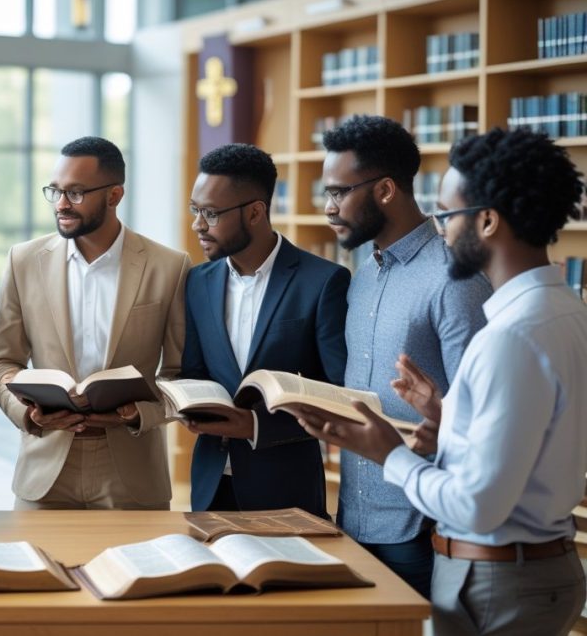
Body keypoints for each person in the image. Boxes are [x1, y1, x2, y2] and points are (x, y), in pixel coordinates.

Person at [299, 128, 587, 635]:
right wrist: (448, 412)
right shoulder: (565, 310)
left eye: (448, 215)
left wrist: (390, 454)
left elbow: (478, 504)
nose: (444, 231)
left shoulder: (510, 337)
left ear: (488, 220)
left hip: (496, 574)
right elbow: (530, 435)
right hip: (535, 564)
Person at [321, 115, 491, 597]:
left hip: (420, 529)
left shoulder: (455, 279)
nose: (330, 208)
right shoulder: (364, 271)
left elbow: (477, 416)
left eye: (339, 193)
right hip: (353, 514)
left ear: (386, 190)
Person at [0, 136, 189, 510]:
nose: (62, 204)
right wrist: (28, 414)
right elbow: (3, 361)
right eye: (56, 191)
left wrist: (137, 413)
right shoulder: (23, 261)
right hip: (45, 467)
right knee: (40, 568)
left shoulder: (169, 267)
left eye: (76, 193)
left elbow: (179, 374)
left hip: (131, 470)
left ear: (114, 196)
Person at [181, 144, 349, 516]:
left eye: (210, 213)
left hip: (286, 489)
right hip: (210, 486)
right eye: (196, 210)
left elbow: (337, 394)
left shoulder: (323, 282)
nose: (198, 225)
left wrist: (255, 425)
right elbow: (193, 370)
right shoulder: (197, 282)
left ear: (256, 212)